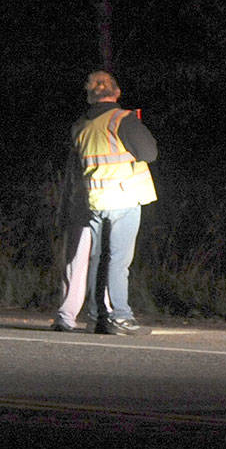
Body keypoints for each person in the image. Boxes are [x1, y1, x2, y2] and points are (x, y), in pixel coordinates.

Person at [52, 71, 157, 335]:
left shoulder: (80, 125)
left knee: (99, 259)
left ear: (89, 94)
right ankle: (120, 315)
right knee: (119, 260)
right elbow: (149, 152)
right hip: (124, 198)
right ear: (117, 92)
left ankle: (99, 316)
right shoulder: (122, 119)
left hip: (96, 200)